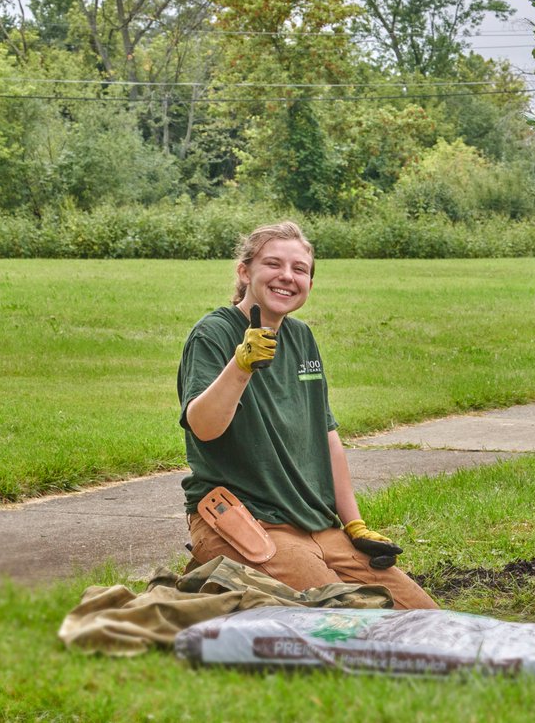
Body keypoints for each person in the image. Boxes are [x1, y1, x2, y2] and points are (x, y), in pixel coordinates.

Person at [177, 221, 437, 608]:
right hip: (247, 520)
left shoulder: (301, 338)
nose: (287, 277)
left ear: (310, 284)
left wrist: (354, 524)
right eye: (273, 264)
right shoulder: (213, 334)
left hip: (315, 523)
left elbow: (326, 435)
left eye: (300, 269)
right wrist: (241, 366)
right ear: (244, 271)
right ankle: (214, 581)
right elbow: (204, 427)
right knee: (346, 617)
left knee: (422, 614)